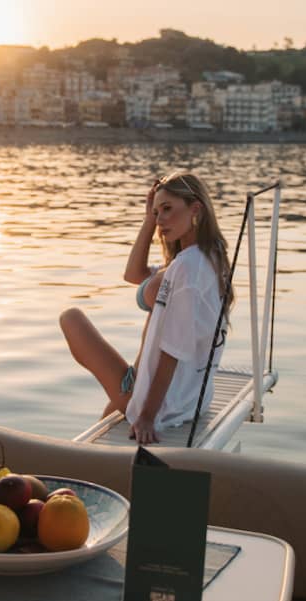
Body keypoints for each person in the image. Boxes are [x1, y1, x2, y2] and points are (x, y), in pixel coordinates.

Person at [59, 172, 232, 444]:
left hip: (149, 393)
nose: (160, 219)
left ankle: (84, 459)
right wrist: (149, 221)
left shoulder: (187, 268)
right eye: (156, 212)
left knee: (71, 318)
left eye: (167, 210)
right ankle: (87, 459)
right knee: (108, 420)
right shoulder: (204, 257)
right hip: (179, 395)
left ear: (195, 209)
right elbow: (133, 273)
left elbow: (172, 350)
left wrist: (147, 416)